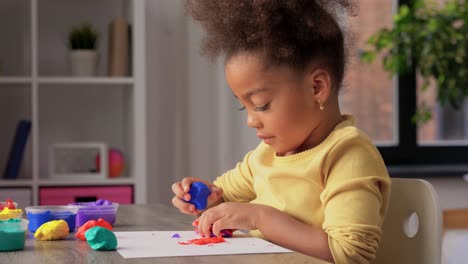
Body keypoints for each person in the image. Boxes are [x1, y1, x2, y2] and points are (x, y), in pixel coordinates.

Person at [171, 1, 391, 263]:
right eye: (245, 109)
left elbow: (349, 253)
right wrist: (203, 198)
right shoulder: (264, 157)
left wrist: (257, 216)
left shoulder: (347, 155)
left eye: (261, 105)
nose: (251, 121)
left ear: (317, 88)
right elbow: (223, 200)